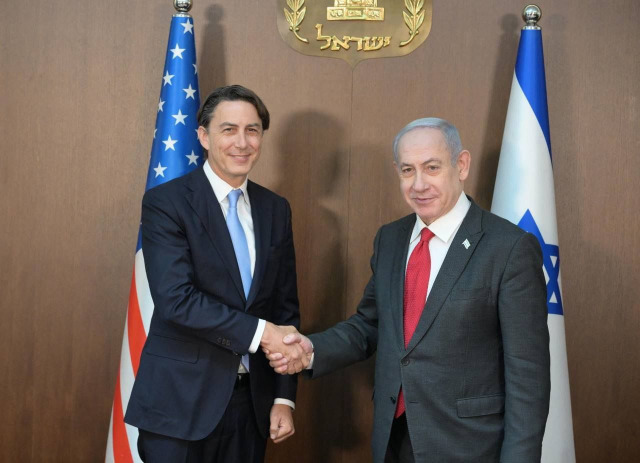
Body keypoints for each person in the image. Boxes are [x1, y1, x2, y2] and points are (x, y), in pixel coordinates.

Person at [266, 118, 551, 462]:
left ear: (461, 165)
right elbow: (369, 325)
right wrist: (311, 350)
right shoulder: (391, 238)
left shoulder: (509, 248)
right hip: (394, 440)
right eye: (407, 170)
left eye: (432, 168)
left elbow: (528, 378)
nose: (419, 184)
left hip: (469, 447)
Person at [125, 85, 309, 463]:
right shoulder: (167, 203)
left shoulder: (275, 209)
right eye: (229, 130)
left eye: (252, 130)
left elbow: (284, 308)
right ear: (204, 137)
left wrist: (283, 396)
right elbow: (177, 300)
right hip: (179, 406)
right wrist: (263, 333)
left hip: (250, 407)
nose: (242, 142)